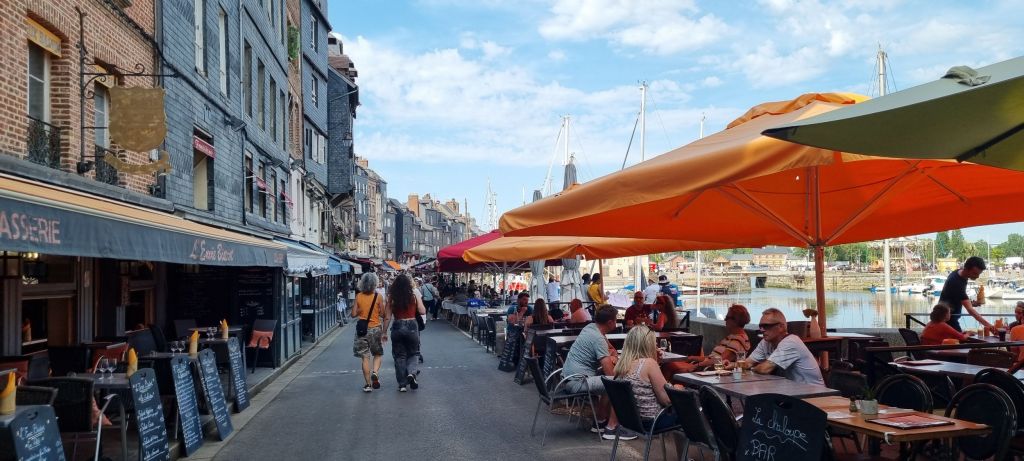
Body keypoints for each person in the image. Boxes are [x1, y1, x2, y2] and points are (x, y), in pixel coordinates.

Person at [563, 305, 635, 441]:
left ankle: (600, 422)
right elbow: (610, 374)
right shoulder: (598, 338)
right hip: (577, 382)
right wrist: (613, 359)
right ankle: (612, 428)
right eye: (616, 320)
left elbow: (611, 349)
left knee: (609, 384)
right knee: (618, 385)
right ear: (610, 322)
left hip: (568, 378)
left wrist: (612, 355)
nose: (617, 322)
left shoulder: (590, 328)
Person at [614, 325, 677, 430]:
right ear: (648, 344)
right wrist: (678, 389)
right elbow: (666, 401)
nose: (656, 345)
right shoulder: (649, 364)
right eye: (654, 342)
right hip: (653, 422)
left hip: (630, 421)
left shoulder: (622, 365)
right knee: (691, 411)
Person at [664, 304, 751, 376]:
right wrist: (693, 357)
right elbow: (711, 358)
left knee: (670, 366)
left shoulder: (738, 340)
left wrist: (697, 365)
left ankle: (670, 390)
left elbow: (719, 360)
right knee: (669, 365)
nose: (725, 320)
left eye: (727, 317)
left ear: (735, 320)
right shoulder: (732, 337)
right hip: (705, 366)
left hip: (709, 371)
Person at [744, 308, 824, 385]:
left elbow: (764, 369)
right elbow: (747, 363)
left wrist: (752, 369)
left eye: (766, 326)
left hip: (814, 391)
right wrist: (737, 365)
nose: (762, 330)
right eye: (760, 326)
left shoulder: (791, 342)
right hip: (791, 390)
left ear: (781, 327)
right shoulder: (765, 342)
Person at [385, 274, 426, 392]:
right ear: (408, 284)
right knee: (413, 353)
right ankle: (412, 373)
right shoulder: (413, 295)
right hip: (412, 325)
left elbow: (387, 317)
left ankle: (402, 384)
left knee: (399, 356)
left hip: (397, 325)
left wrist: (384, 332)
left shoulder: (392, 297)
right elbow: (422, 311)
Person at [352, 272, 387, 392]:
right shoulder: (378, 297)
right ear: (375, 283)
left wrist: (361, 310)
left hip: (362, 330)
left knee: (365, 357)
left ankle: (367, 385)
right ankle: (375, 372)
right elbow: (383, 314)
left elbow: (353, 314)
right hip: (375, 329)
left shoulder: (359, 296)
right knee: (377, 354)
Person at [939, 256, 992, 333]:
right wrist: (989, 326)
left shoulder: (959, 273)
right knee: (960, 340)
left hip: (947, 316)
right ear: (966, 269)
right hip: (947, 319)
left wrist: (971, 303)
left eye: (979, 274)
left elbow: (956, 296)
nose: (977, 276)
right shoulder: (956, 282)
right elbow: (970, 310)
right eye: (975, 273)